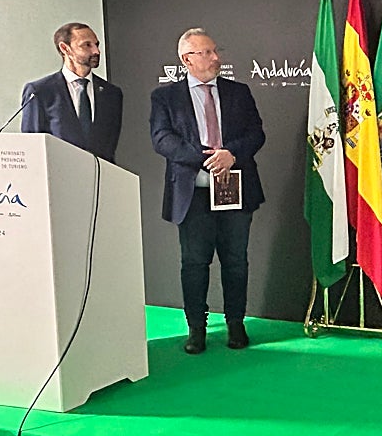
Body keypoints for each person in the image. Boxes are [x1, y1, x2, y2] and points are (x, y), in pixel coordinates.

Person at [150, 28, 265, 355]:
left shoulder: (238, 92)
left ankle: (236, 324)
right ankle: (196, 329)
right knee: (194, 263)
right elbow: (162, 139)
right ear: (187, 59)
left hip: (235, 192)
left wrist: (231, 154)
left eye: (216, 51)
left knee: (236, 261)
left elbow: (256, 133)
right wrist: (207, 159)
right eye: (207, 53)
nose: (216, 58)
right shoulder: (165, 97)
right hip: (193, 196)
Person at [21, 22, 123, 163]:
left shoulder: (112, 94)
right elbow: (32, 147)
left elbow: (109, 148)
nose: (96, 51)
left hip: (100, 174)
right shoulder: (40, 92)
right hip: (57, 172)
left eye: (96, 45)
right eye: (87, 45)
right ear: (65, 49)